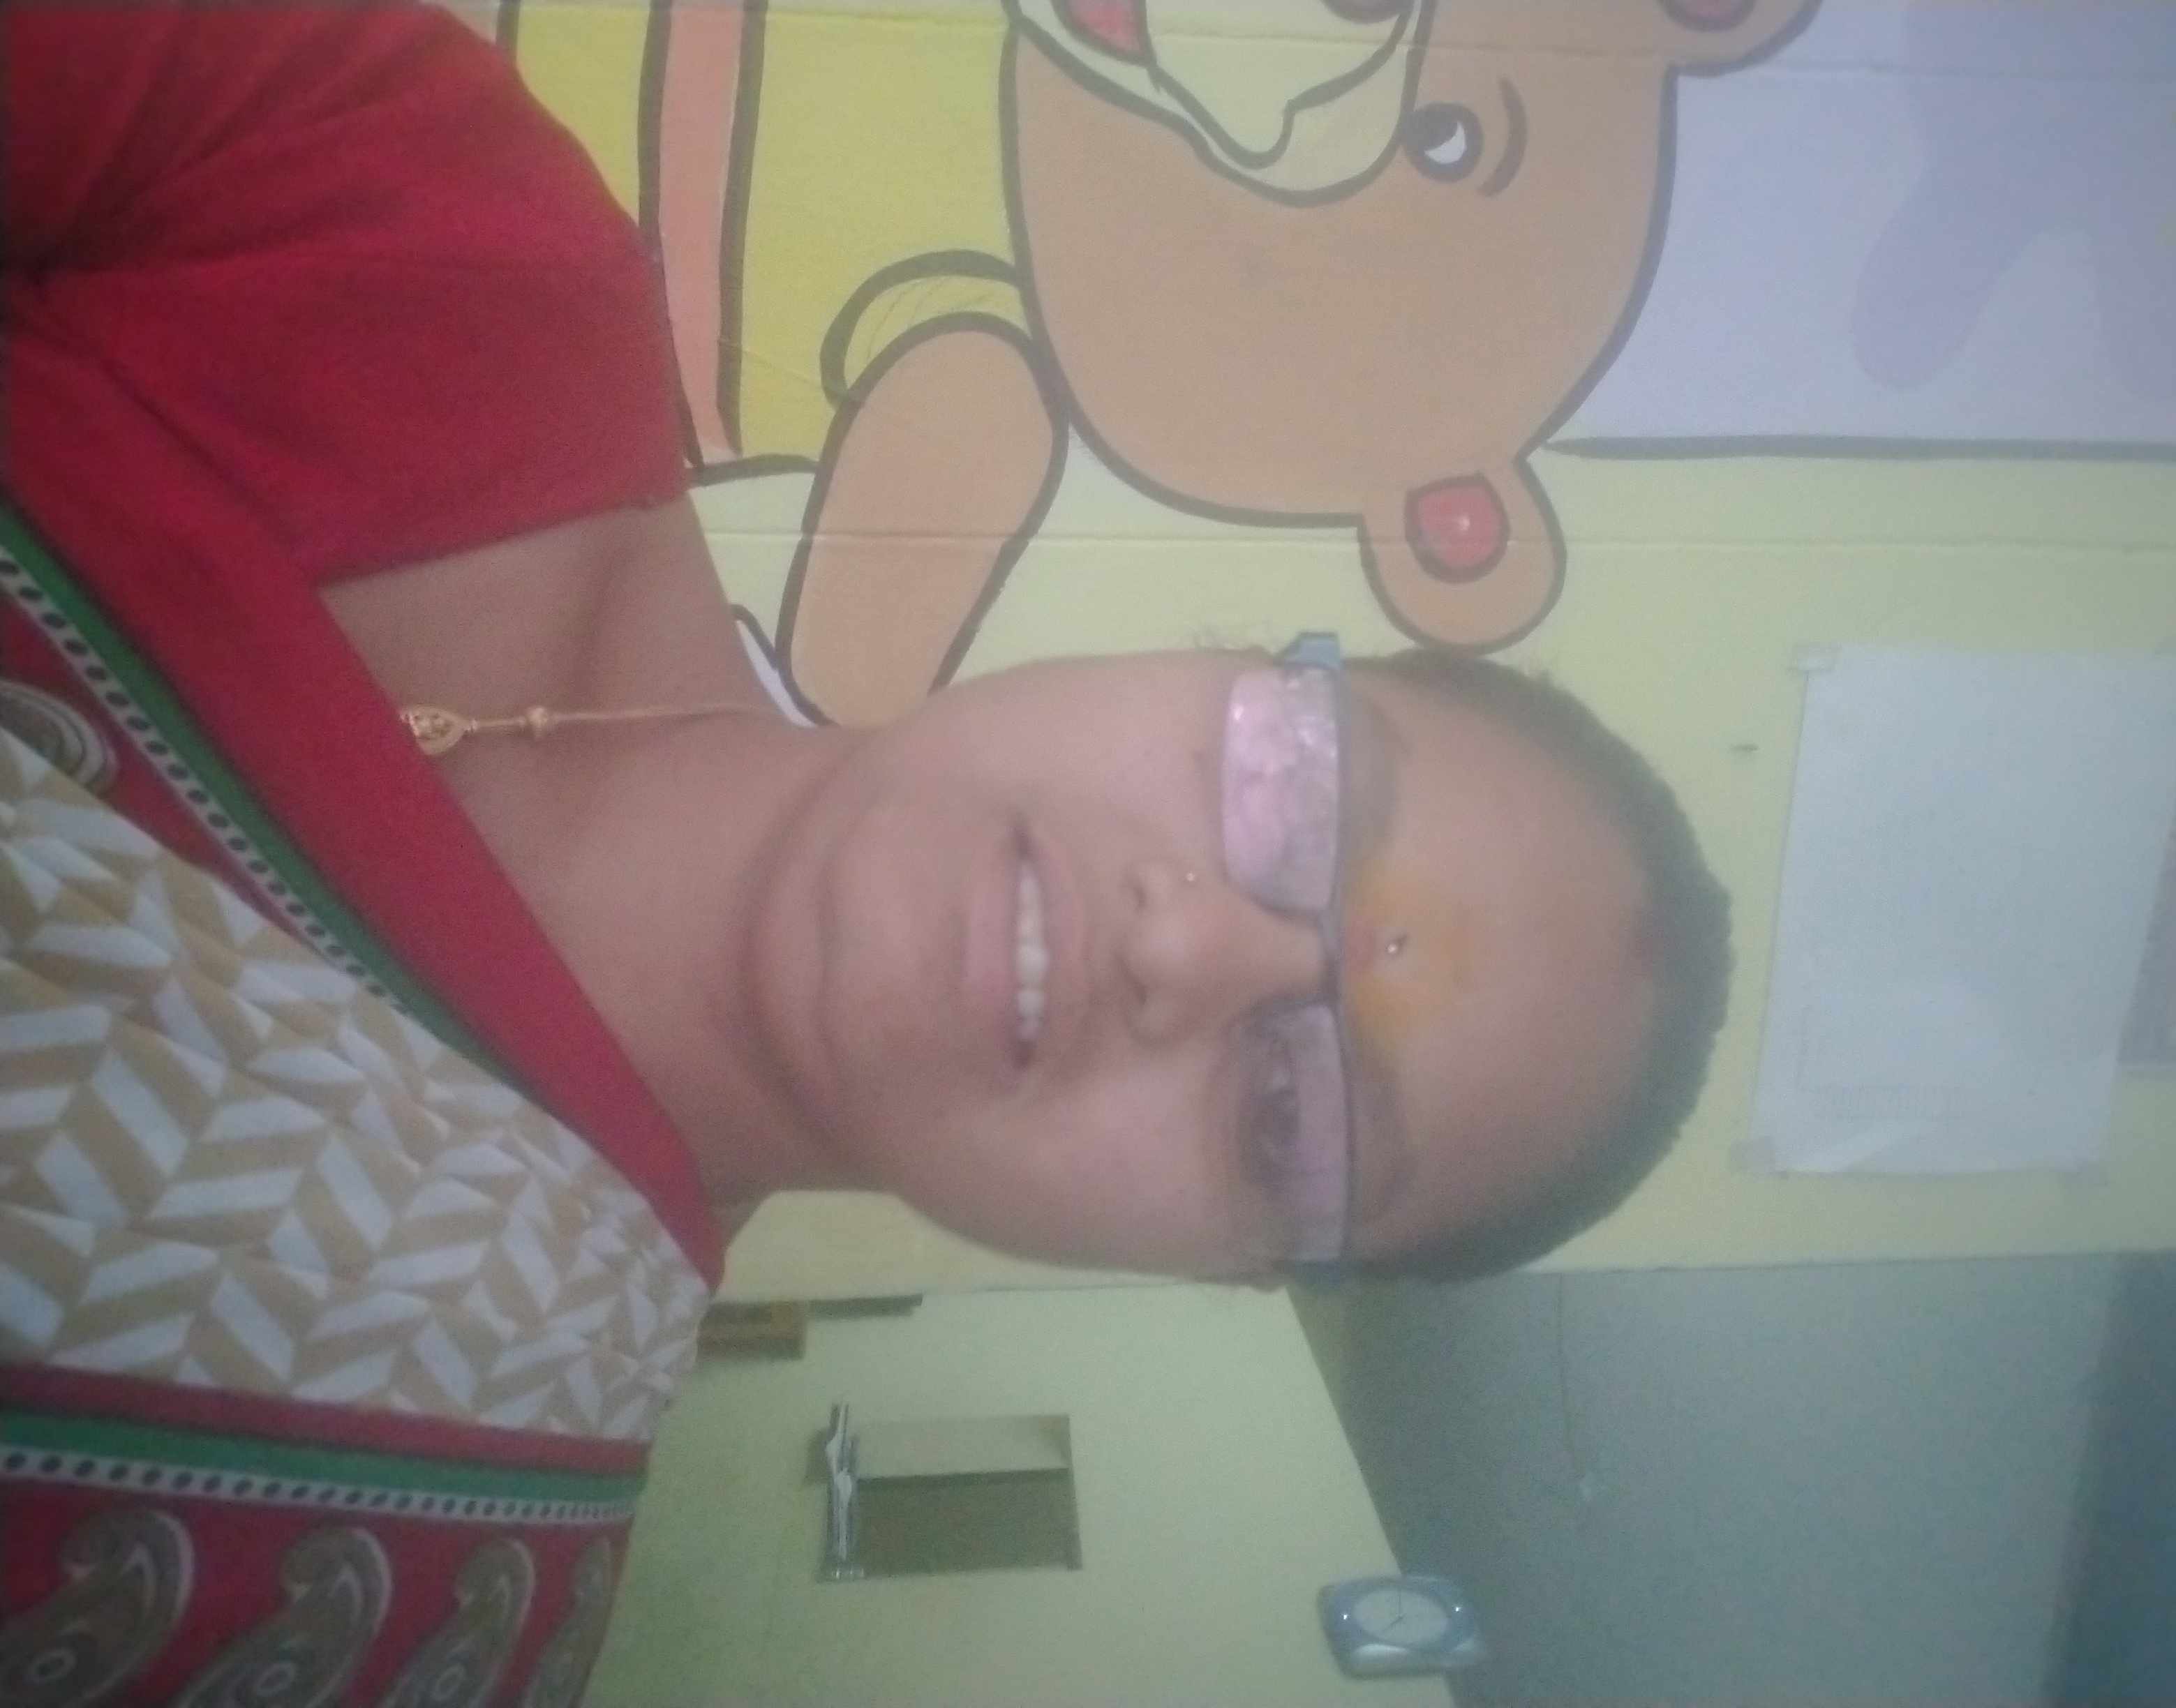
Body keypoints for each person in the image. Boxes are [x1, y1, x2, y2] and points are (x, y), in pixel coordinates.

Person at [0, 5, 1729, 1701]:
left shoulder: (400, 1605)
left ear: (1217, 1269)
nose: (1186, 952)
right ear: (1214, 656)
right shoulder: (438, 232)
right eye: (1304, 791)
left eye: (1296, 1117)